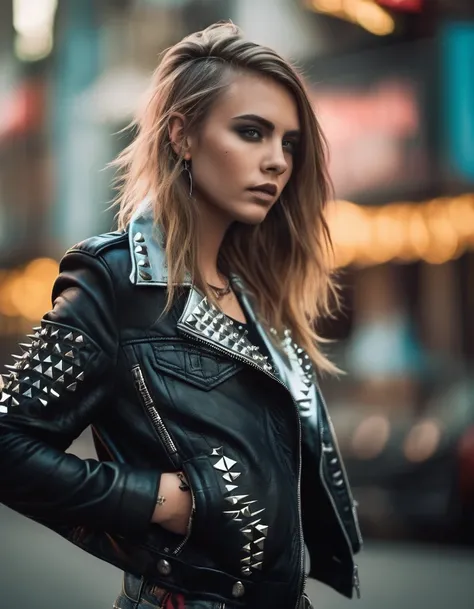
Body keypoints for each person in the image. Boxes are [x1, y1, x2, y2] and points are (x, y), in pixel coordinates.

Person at [0, 22, 362, 609]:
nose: (276, 162)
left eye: (289, 143)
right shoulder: (116, 279)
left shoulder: (260, 296)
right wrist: (158, 500)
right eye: (251, 133)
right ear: (182, 136)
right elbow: (7, 442)